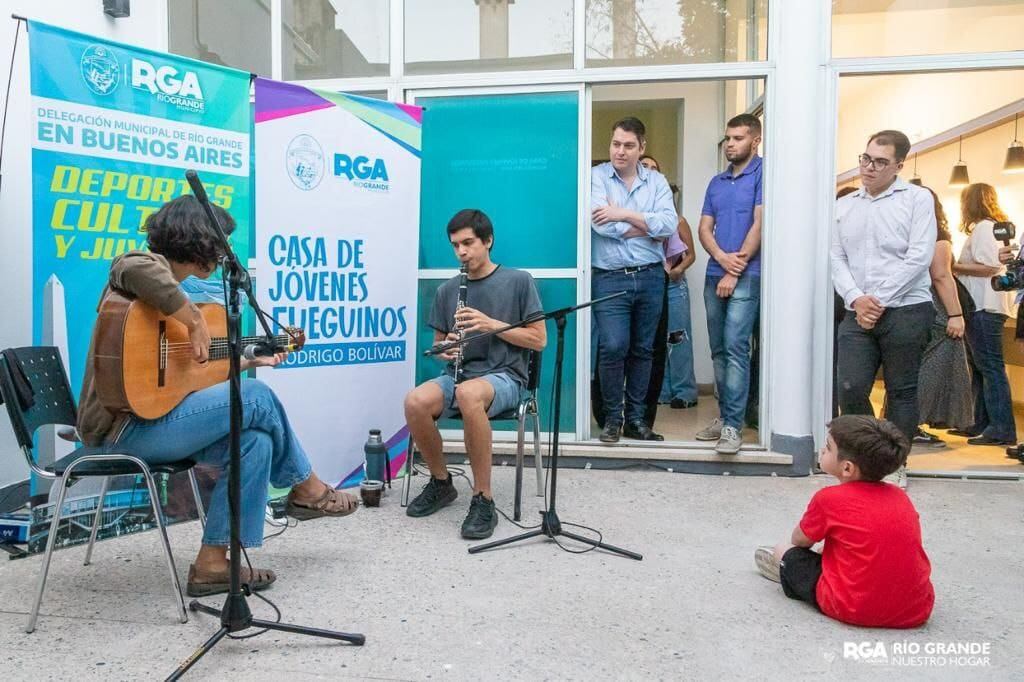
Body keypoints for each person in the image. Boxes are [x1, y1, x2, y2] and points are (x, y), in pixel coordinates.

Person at [77, 195, 358, 598]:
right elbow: (128, 265)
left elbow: (186, 378)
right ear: (200, 242)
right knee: (258, 397)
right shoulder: (143, 268)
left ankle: (212, 562)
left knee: (254, 441)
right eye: (220, 242)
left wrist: (246, 359)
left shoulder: (169, 298)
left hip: (158, 419)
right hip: (122, 431)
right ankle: (307, 488)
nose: (225, 251)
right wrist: (192, 319)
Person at [404, 209, 546, 539]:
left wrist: (491, 325)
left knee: (470, 394)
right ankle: (441, 482)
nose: (461, 252)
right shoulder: (447, 290)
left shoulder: (518, 281)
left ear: (488, 241)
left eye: (468, 243)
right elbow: (439, 345)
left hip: (505, 377)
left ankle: (483, 498)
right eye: (455, 246)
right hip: (460, 375)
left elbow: (539, 340)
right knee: (415, 402)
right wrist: (446, 348)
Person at [753, 415, 934, 629]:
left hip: (853, 607)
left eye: (828, 448)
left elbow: (799, 541)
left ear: (847, 468)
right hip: (917, 609)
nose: (822, 451)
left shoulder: (829, 499)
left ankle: (785, 570)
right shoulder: (900, 496)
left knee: (783, 550)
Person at [831, 130, 936, 487]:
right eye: (865, 159)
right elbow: (836, 257)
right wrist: (857, 299)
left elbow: (919, 257)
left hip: (907, 309)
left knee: (901, 390)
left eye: (880, 162)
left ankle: (894, 466)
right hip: (857, 309)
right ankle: (867, 458)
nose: (869, 167)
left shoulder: (917, 199)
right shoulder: (844, 205)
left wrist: (878, 300)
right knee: (850, 386)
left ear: (898, 165)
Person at [591, 118, 678, 443]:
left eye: (628, 145)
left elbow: (668, 225)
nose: (620, 151)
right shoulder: (596, 177)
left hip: (651, 277)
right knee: (613, 347)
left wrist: (623, 214)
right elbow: (601, 224)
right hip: (610, 278)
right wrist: (646, 226)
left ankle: (637, 420)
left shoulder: (656, 181)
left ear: (641, 148)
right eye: (616, 144)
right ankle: (613, 419)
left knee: (644, 350)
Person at [696, 113, 764, 454]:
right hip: (715, 273)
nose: (730, 144)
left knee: (737, 348)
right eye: (728, 139)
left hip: (747, 276)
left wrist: (733, 270)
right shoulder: (717, 182)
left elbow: (760, 225)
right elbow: (704, 228)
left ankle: (734, 427)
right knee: (719, 350)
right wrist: (722, 261)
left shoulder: (764, 173)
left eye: (737, 138)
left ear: (755, 140)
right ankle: (724, 417)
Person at [951, 183, 1017, 447]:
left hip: (983, 306)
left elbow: (990, 266)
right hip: (985, 307)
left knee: (989, 367)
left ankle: (1001, 428)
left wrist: (953, 265)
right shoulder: (992, 228)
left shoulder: (983, 228)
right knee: (980, 367)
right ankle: (980, 422)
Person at [908, 187, 972, 447]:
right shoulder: (937, 237)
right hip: (936, 307)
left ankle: (907, 421)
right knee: (932, 367)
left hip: (911, 306)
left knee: (909, 368)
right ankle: (912, 423)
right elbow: (942, 277)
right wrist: (956, 314)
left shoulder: (906, 234)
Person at [639, 155, 699, 412]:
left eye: (654, 167)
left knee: (677, 337)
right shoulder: (637, 218)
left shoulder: (678, 220)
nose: (649, 171)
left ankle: (684, 391)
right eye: (645, 167)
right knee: (653, 341)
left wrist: (677, 271)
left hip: (673, 287)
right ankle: (662, 392)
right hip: (649, 285)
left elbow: (691, 255)